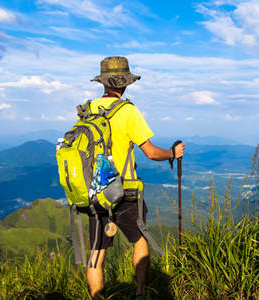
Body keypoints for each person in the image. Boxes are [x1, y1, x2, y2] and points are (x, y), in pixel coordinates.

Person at [85, 56, 184, 300]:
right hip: (125, 192)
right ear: (125, 83)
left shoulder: (88, 110)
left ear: (104, 83)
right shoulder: (128, 111)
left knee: (96, 254)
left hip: (95, 192)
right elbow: (150, 152)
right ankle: (140, 294)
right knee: (139, 240)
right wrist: (172, 153)